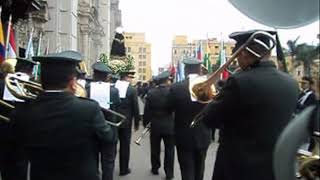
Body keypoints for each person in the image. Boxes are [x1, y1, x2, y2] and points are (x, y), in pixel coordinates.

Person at [201, 30, 299, 180]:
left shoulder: (239, 81)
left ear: (245, 54)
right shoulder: (291, 83)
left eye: (237, 54)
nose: (236, 59)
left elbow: (209, 119)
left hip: (238, 169)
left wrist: (224, 89)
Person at [12, 50, 116, 180]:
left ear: (40, 80)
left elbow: (16, 149)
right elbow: (108, 138)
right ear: (73, 82)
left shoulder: (23, 110)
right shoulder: (89, 108)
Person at [168, 58, 212, 180]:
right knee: (200, 169)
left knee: (186, 170)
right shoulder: (210, 86)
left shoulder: (176, 87)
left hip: (183, 135)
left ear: (186, 69)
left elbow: (168, 108)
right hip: (203, 134)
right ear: (199, 69)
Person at [0, 57, 37, 180]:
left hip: (3, 131)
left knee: (5, 165)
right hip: (25, 133)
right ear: (30, 70)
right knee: (21, 165)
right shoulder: (33, 86)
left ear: (16, 69)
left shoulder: (2, 83)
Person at [86, 62, 121, 180]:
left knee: (92, 161)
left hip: (91, 130)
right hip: (109, 129)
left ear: (94, 75)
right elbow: (117, 106)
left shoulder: (87, 88)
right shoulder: (114, 91)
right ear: (107, 77)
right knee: (108, 162)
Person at [143, 71, 175, 180]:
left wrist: (145, 123)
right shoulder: (172, 92)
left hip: (155, 124)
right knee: (170, 150)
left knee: (155, 148)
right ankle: (169, 173)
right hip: (170, 124)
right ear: (166, 80)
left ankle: (155, 168)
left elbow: (147, 111)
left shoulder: (151, 93)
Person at [115, 70, 140, 176]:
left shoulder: (113, 87)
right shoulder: (131, 89)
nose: (131, 79)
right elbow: (135, 107)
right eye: (130, 77)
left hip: (113, 119)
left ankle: (109, 166)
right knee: (125, 146)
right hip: (126, 121)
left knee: (111, 145)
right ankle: (123, 169)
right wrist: (137, 122)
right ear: (126, 77)